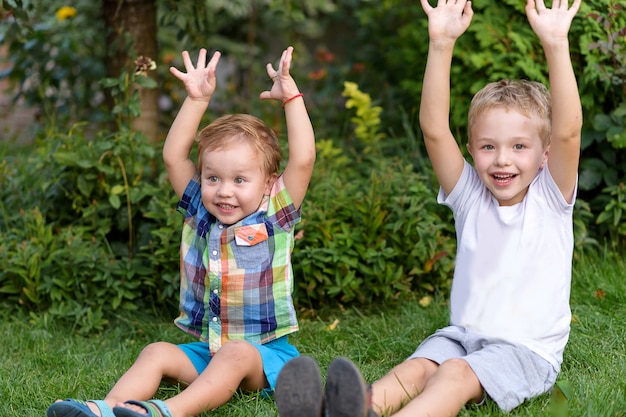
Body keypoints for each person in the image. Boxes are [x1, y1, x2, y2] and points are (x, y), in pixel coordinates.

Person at [275, 0, 583, 416]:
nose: (502, 160)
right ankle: (348, 411)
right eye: (488, 147)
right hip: (461, 334)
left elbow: (567, 131)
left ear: (544, 155)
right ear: (471, 150)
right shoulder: (471, 194)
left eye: (519, 147)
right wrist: (440, 43)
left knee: (453, 375)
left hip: (524, 352)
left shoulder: (550, 198)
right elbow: (435, 130)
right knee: (418, 368)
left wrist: (556, 45)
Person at [47, 45, 316, 417]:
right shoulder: (201, 214)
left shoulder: (274, 213)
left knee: (236, 353)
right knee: (157, 351)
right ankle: (107, 409)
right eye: (213, 178)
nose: (224, 190)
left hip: (266, 357)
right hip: (210, 350)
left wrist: (292, 97)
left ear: (269, 183)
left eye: (240, 179)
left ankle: (164, 412)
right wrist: (196, 99)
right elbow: (174, 156)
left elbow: (303, 158)